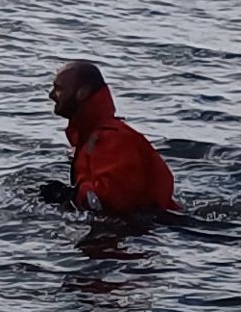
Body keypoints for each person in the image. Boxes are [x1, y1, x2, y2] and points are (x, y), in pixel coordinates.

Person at [42, 60, 177, 217]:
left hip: (152, 230)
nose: (51, 95)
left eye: (58, 89)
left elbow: (113, 202)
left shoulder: (113, 138)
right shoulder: (91, 135)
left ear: (83, 92)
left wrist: (69, 196)